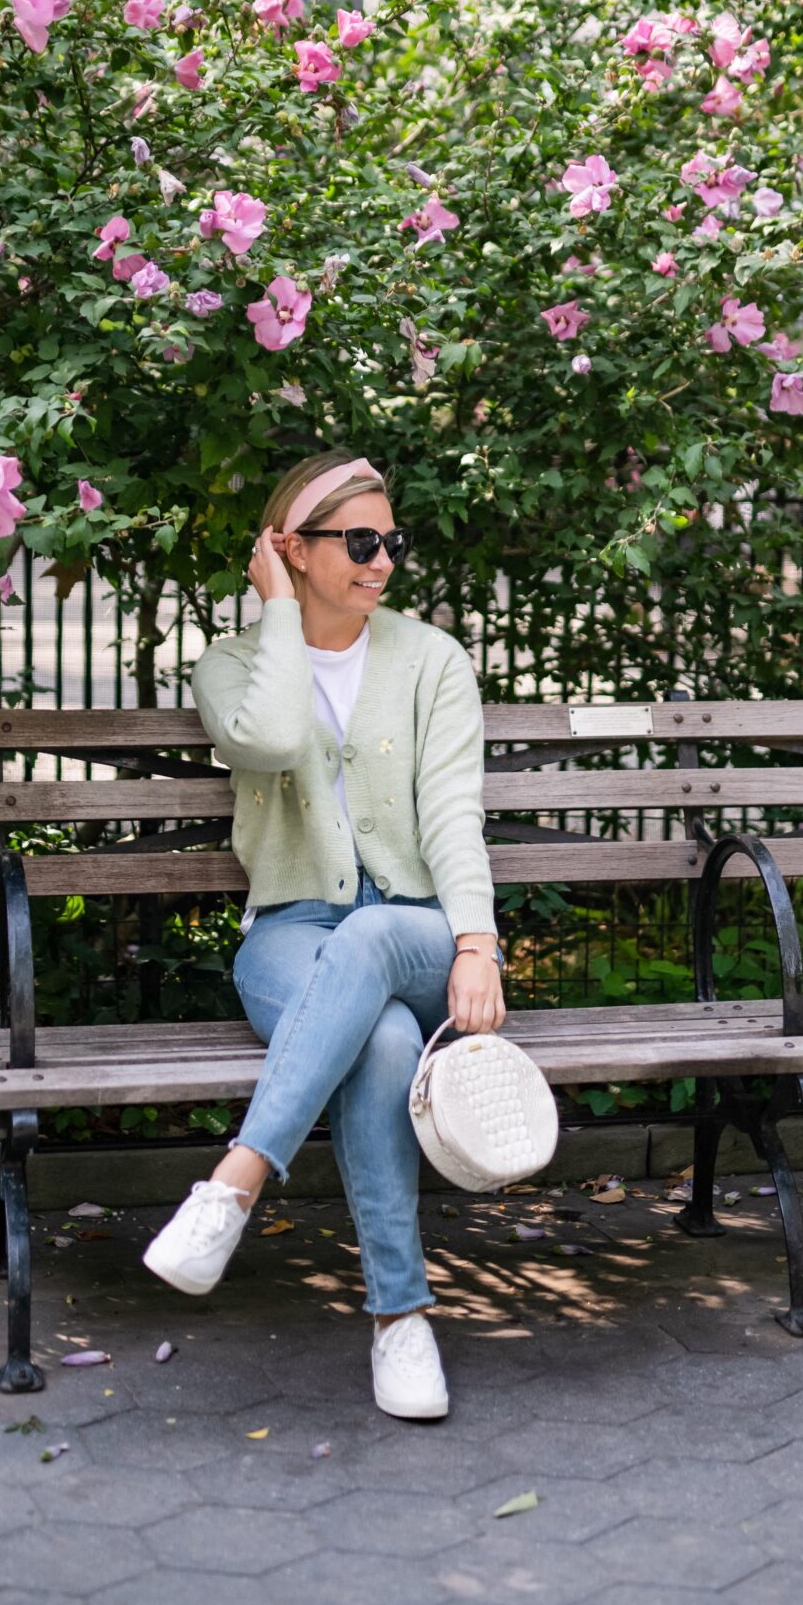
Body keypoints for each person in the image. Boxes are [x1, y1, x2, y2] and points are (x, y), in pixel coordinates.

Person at [141, 449, 505, 1420]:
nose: (379, 558)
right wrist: (272, 618)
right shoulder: (232, 662)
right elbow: (262, 738)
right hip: (290, 930)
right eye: (355, 540)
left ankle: (232, 1183)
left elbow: (450, 815)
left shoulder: (431, 659)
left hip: (421, 932)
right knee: (379, 1037)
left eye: (389, 539)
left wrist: (474, 940)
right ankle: (401, 1320)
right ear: (290, 549)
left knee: (376, 945)